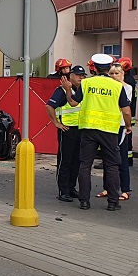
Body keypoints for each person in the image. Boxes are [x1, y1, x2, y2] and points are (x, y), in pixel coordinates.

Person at [74, 53, 132, 212]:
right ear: (109, 67)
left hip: (88, 129)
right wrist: (128, 126)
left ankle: (84, 201)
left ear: (94, 67)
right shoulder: (117, 86)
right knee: (112, 166)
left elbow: (73, 102)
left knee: (85, 165)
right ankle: (113, 202)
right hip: (109, 131)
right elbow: (126, 111)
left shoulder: (86, 83)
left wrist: (67, 90)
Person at [46, 65, 83, 202]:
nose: (80, 77)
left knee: (77, 161)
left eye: (82, 75)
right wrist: (56, 123)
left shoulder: (82, 90)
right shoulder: (61, 90)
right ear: (70, 76)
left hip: (80, 130)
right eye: (78, 75)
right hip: (67, 130)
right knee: (65, 161)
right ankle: (63, 190)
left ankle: (72, 188)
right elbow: (49, 106)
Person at [103, 61, 133, 202]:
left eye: (117, 73)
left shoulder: (127, 88)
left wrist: (128, 126)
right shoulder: (109, 87)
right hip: (108, 125)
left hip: (120, 125)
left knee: (121, 158)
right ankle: (108, 187)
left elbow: (124, 107)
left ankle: (125, 189)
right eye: (112, 74)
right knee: (107, 158)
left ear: (123, 74)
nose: (114, 76)